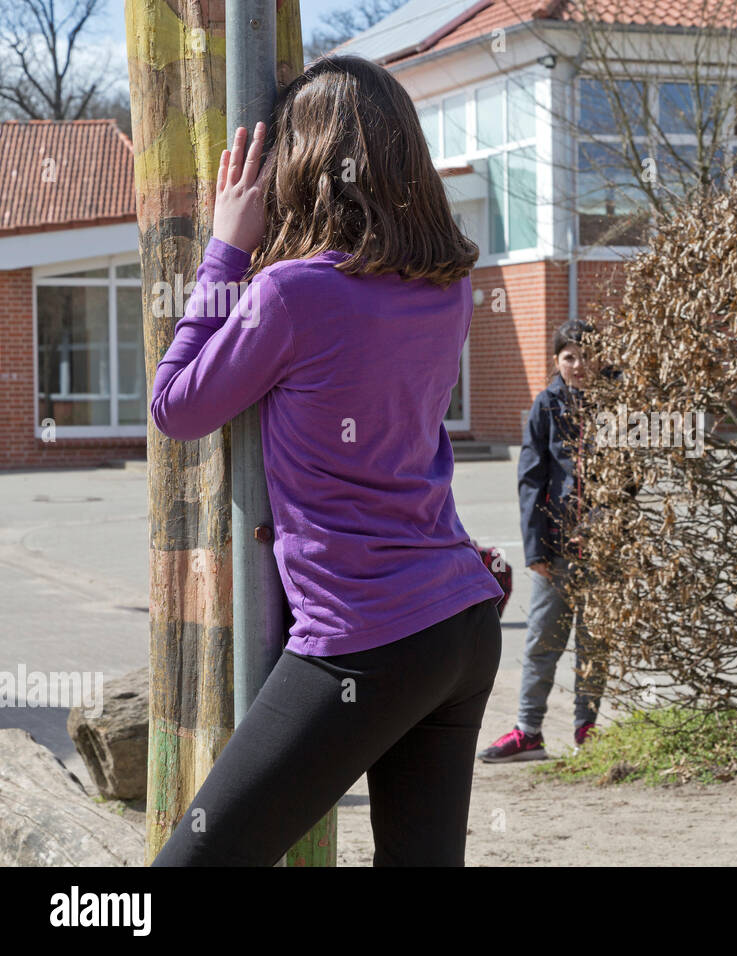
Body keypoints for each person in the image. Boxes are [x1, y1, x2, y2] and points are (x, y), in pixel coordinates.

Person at [148, 56, 503, 865]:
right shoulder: (447, 288)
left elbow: (178, 406)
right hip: (463, 626)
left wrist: (225, 252)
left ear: (300, 166)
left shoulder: (291, 294)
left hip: (365, 638)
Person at [477, 319, 608, 762]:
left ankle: (586, 728)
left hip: (605, 551)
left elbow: (630, 478)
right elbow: (530, 480)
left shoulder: (617, 408)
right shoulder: (546, 406)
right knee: (541, 643)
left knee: (594, 643)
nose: (579, 365)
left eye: (586, 355)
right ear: (557, 361)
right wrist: (535, 550)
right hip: (556, 551)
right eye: (569, 357)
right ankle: (528, 732)